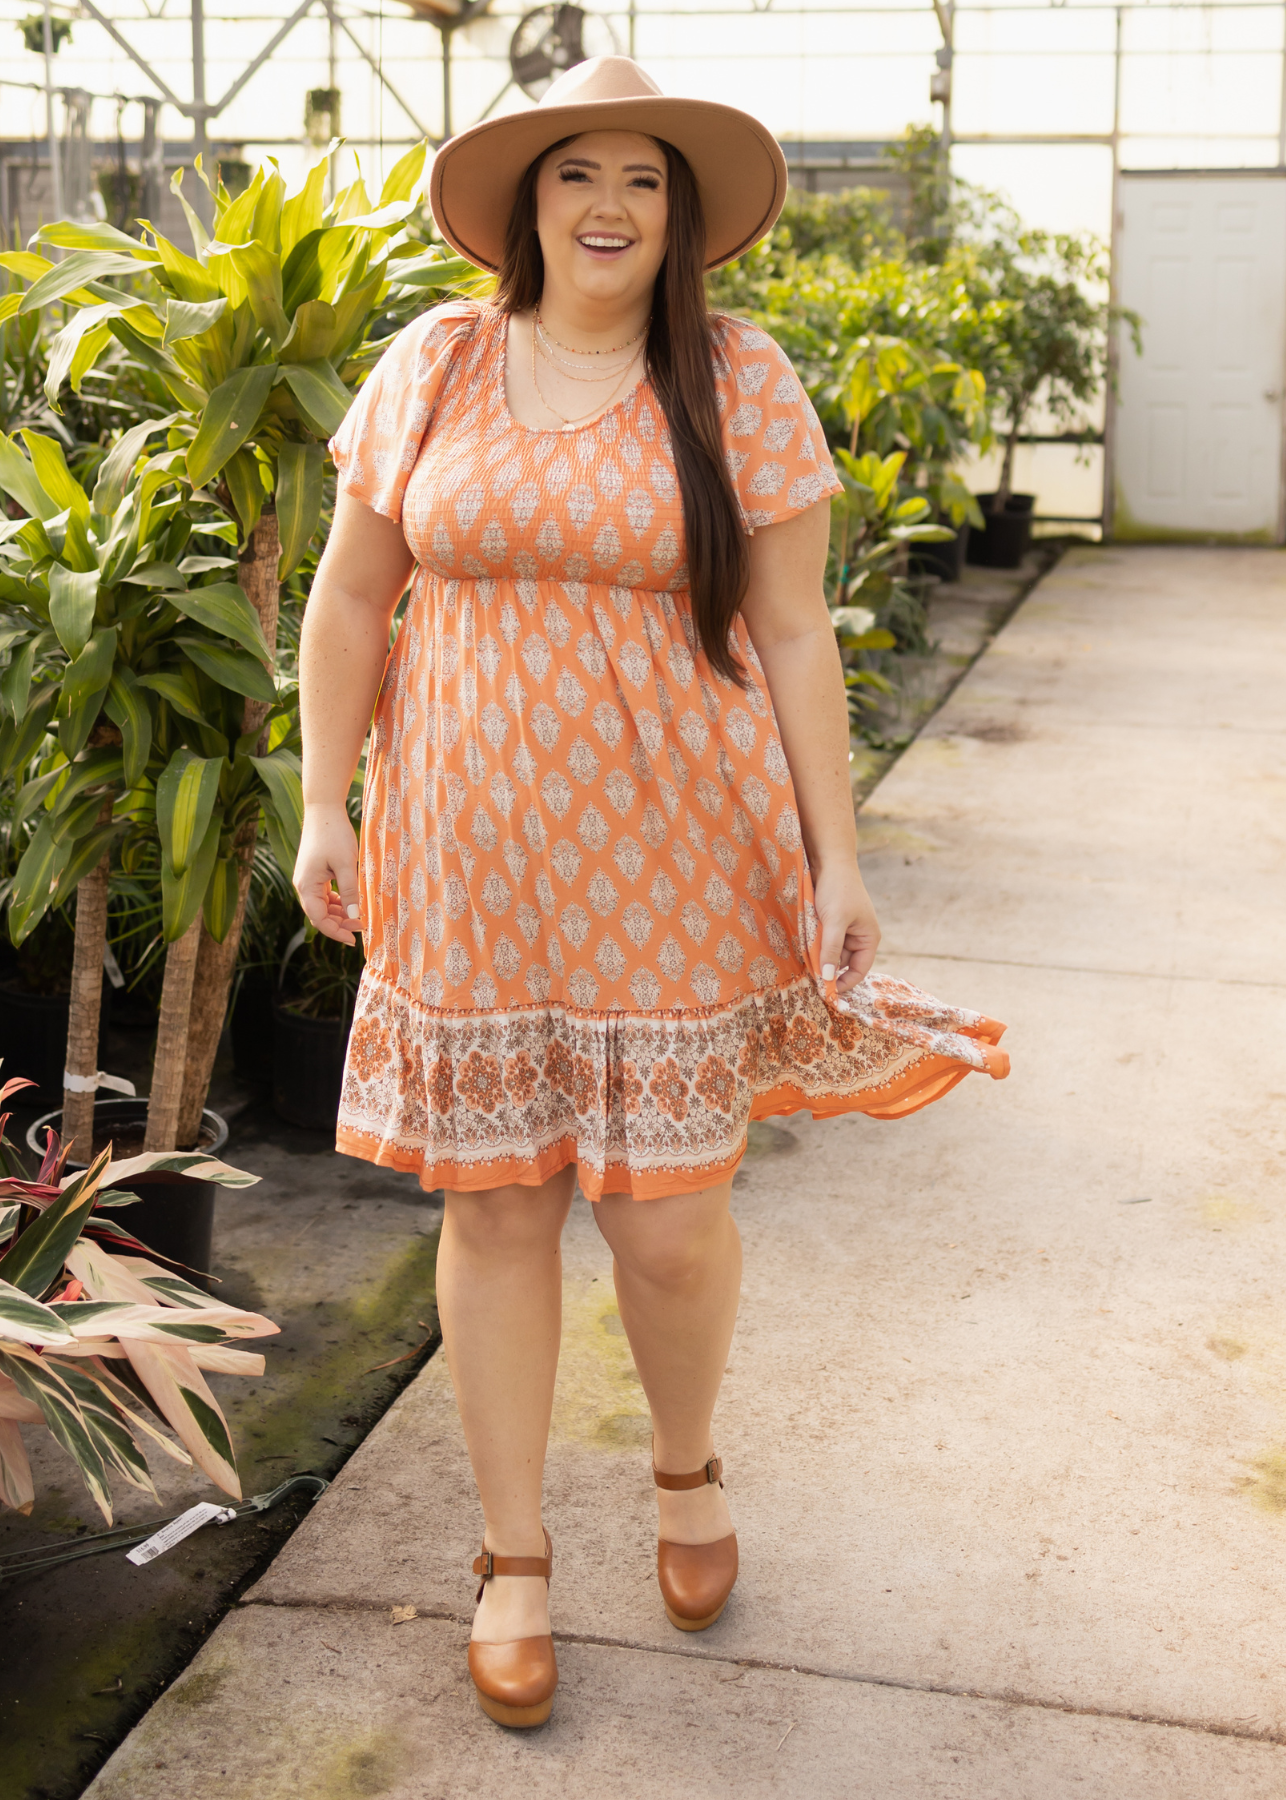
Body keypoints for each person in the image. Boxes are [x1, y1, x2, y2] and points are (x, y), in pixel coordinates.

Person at [295, 55, 1009, 1731]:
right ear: (525, 205)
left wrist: (840, 853)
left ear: (678, 217)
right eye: (576, 177)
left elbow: (793, 632)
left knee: (670, 1228)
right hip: (465, 850)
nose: (609, 208)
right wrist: (322, 805)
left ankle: (685, 1469)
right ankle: (512, 1554)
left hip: (675, 847)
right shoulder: (435, 365)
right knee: (496, 1205)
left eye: (642, 182)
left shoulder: (736, 379)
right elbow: (346, 602)